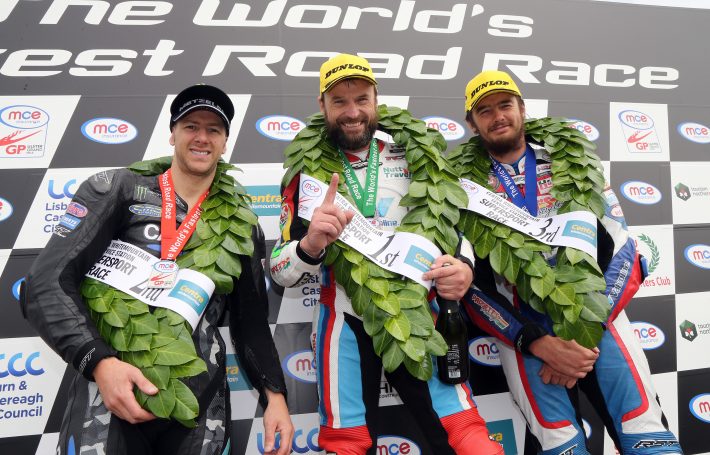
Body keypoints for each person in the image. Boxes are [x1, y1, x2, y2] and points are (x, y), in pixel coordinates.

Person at [22, 84, 293, 455]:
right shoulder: (119, 189)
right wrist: (100, 364)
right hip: (111, 393)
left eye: (213, 129)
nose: (202, 137)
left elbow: (251, 324)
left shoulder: (241, 223)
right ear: (173, 133)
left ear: (226, 141)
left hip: (199, 401)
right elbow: (45, 283)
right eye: (191, 126)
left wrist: (274, 396)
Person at [270, 53, 504, 455]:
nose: (352, 112)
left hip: (418, 311)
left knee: (467, 438)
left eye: (361, 98)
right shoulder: (305, 172)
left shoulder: (415, 154)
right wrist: (309, 245)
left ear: (376, 99)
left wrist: (463, 265)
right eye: (339, 102)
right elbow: (279, 270)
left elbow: (455, 230)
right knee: (346, 445)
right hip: (344, 320)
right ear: (321, 106)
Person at [456, 70, 682, 454]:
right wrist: (538, 343)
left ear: (522, 109)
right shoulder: (462, 186)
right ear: (472, 124)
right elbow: (469, 287)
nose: (498, 117)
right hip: (526, 333)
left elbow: (627, 250)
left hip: (600, 319)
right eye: (485, 110)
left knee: (646, 437)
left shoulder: (571, 159)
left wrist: (580, 334)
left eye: (505, 105)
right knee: (561, 445)